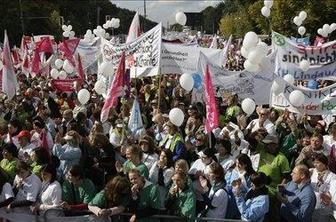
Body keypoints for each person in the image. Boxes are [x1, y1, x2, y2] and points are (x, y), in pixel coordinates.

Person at [310, 153, 336, 221]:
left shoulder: (332, 176)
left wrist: (323, 183)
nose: (315, 164)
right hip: (311, 203)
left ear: (324, 163)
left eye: (318, 162)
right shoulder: (312, 172)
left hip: (323, 207)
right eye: (314, 162)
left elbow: (331, 193)